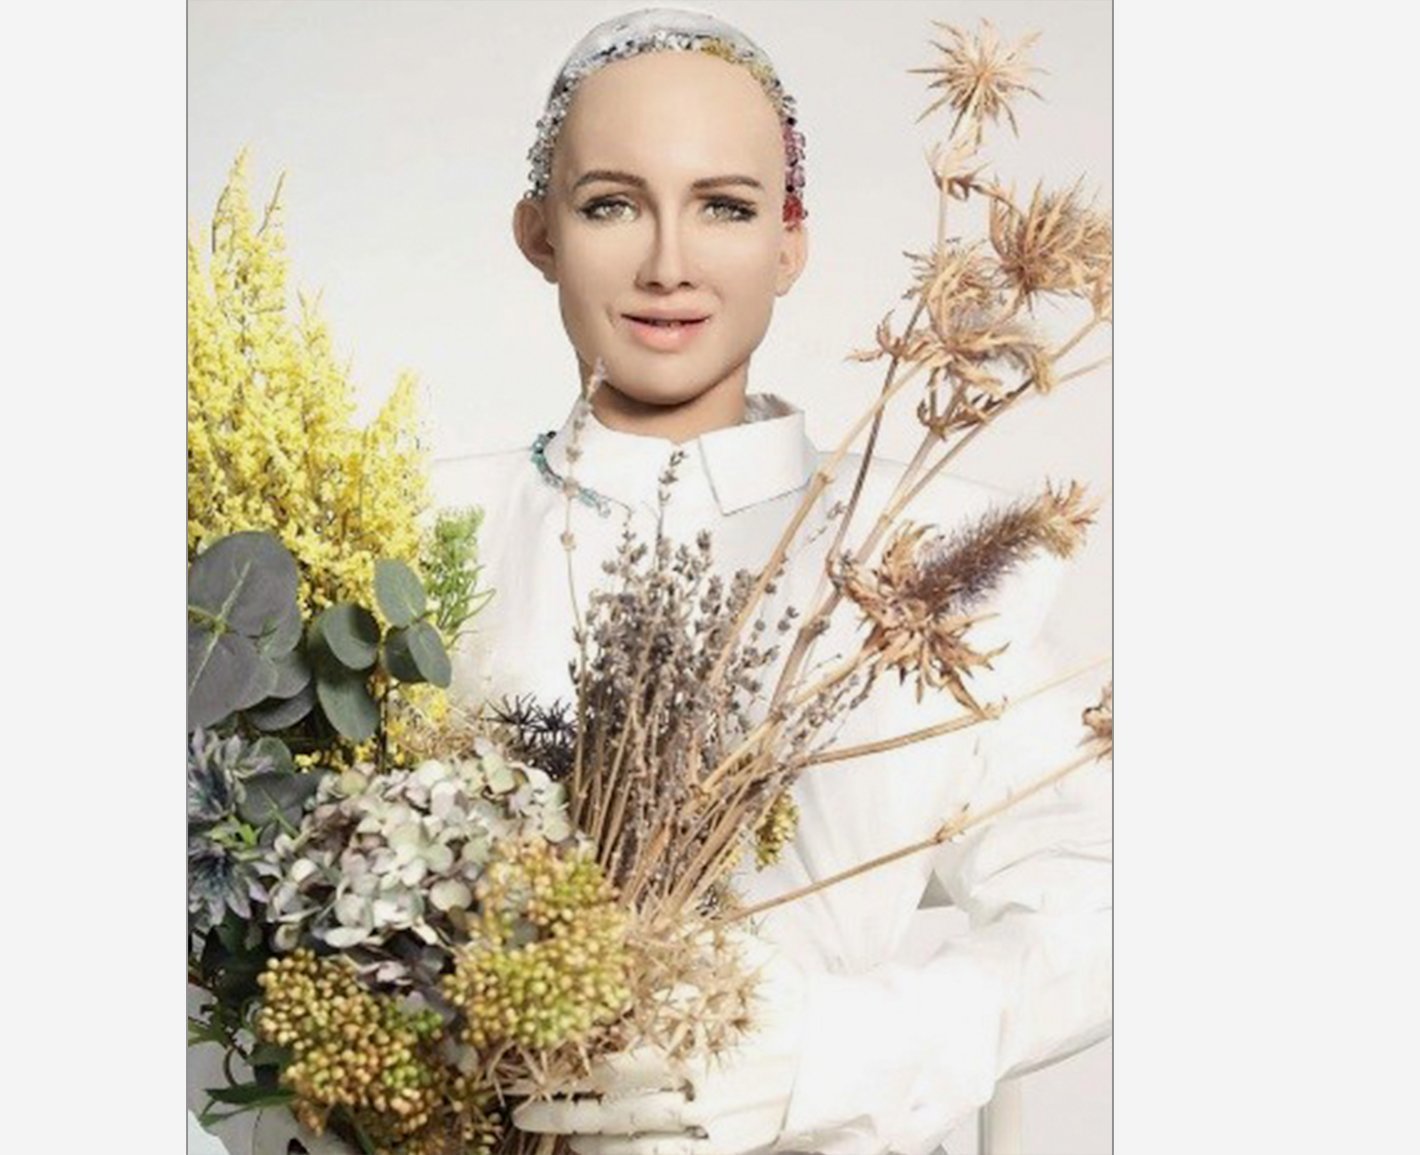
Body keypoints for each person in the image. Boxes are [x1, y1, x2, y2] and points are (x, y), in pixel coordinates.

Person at [194, 8, 1111, 1154]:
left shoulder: (930, 548)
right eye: (611, 205)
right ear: (537, 231)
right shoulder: (395, 529)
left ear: (789, 241)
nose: (668, 263)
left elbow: (1098, 897)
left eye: (723, 206)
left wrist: (826, 1056)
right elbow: (239, 902)